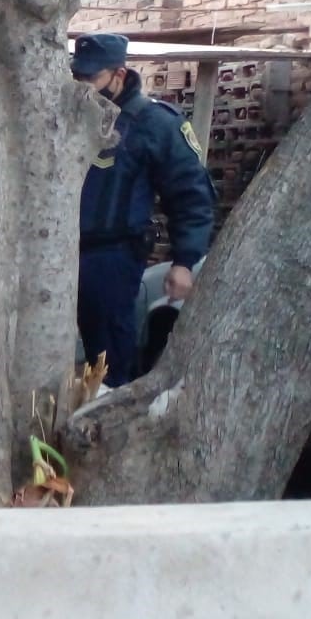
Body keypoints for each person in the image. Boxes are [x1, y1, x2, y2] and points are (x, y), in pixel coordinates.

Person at [72, 32, 215, 388]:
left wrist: (184, 262)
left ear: (118, 75)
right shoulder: (70, 115)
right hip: (57, 252)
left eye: (91, 79)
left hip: (111, 256)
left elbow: (191, 197)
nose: (83, 87)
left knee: (107, 360)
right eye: (78, 77)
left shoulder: (156, 124)